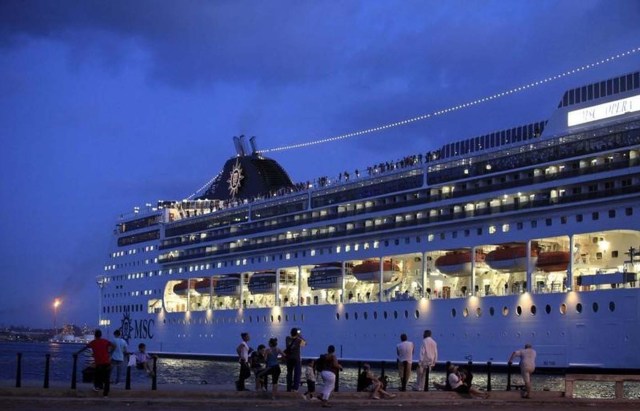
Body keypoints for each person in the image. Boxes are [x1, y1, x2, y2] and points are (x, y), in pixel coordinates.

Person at [76, 329, 114, 397]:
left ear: (95, 335)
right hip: (106, 362)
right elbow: (114, 346)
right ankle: (105, 394)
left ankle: (97, 387)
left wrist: (77, 353)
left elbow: (84, 348)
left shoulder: (93, 342)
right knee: (106, 379)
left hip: (99, 363)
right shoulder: (105, 341)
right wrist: (110, 353)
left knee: (97, 376)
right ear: (101, 335)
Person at [285, 327, 306, 392]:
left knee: (289, 373)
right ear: (296, 333)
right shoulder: (299, 340)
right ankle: (295, 388)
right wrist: (300, 336)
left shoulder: (287, 338)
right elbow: (305, 344)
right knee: (297, 373)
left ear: (291, 333)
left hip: (289, 358)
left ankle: (288, 388)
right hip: (296, 358)